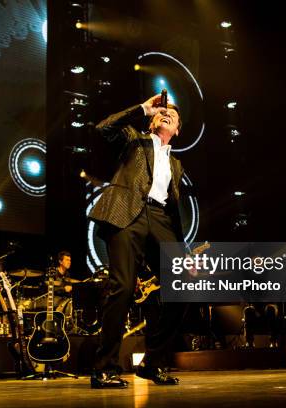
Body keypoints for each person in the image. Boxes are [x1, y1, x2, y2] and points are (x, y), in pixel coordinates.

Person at [88, 93, 190, 388]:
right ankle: (104, 367)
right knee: (122, 287)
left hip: (159, 218)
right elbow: (102, 128)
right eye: (161, 112)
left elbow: (172, 207)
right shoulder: (134, 139)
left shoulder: (177, 165)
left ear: (178, 130)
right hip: (126, 211)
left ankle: (152, 363)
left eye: (173, 115)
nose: (166, 114)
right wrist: (144, 108)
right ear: (151, 121)